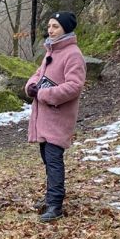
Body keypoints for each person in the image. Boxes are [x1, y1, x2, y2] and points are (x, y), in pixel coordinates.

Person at [25, 11, 86, 222]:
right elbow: (39, 74)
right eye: (49, 26)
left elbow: (74, 86)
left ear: (65, 29)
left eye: (55, 26)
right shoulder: (52, 50)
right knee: (47, 157)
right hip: (44, 117)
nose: (50, 30)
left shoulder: (73, 54)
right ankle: (50, 197)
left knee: (53, 160)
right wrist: (31, 86)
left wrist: (44, 94)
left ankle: (55, 205)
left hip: (58, 117)